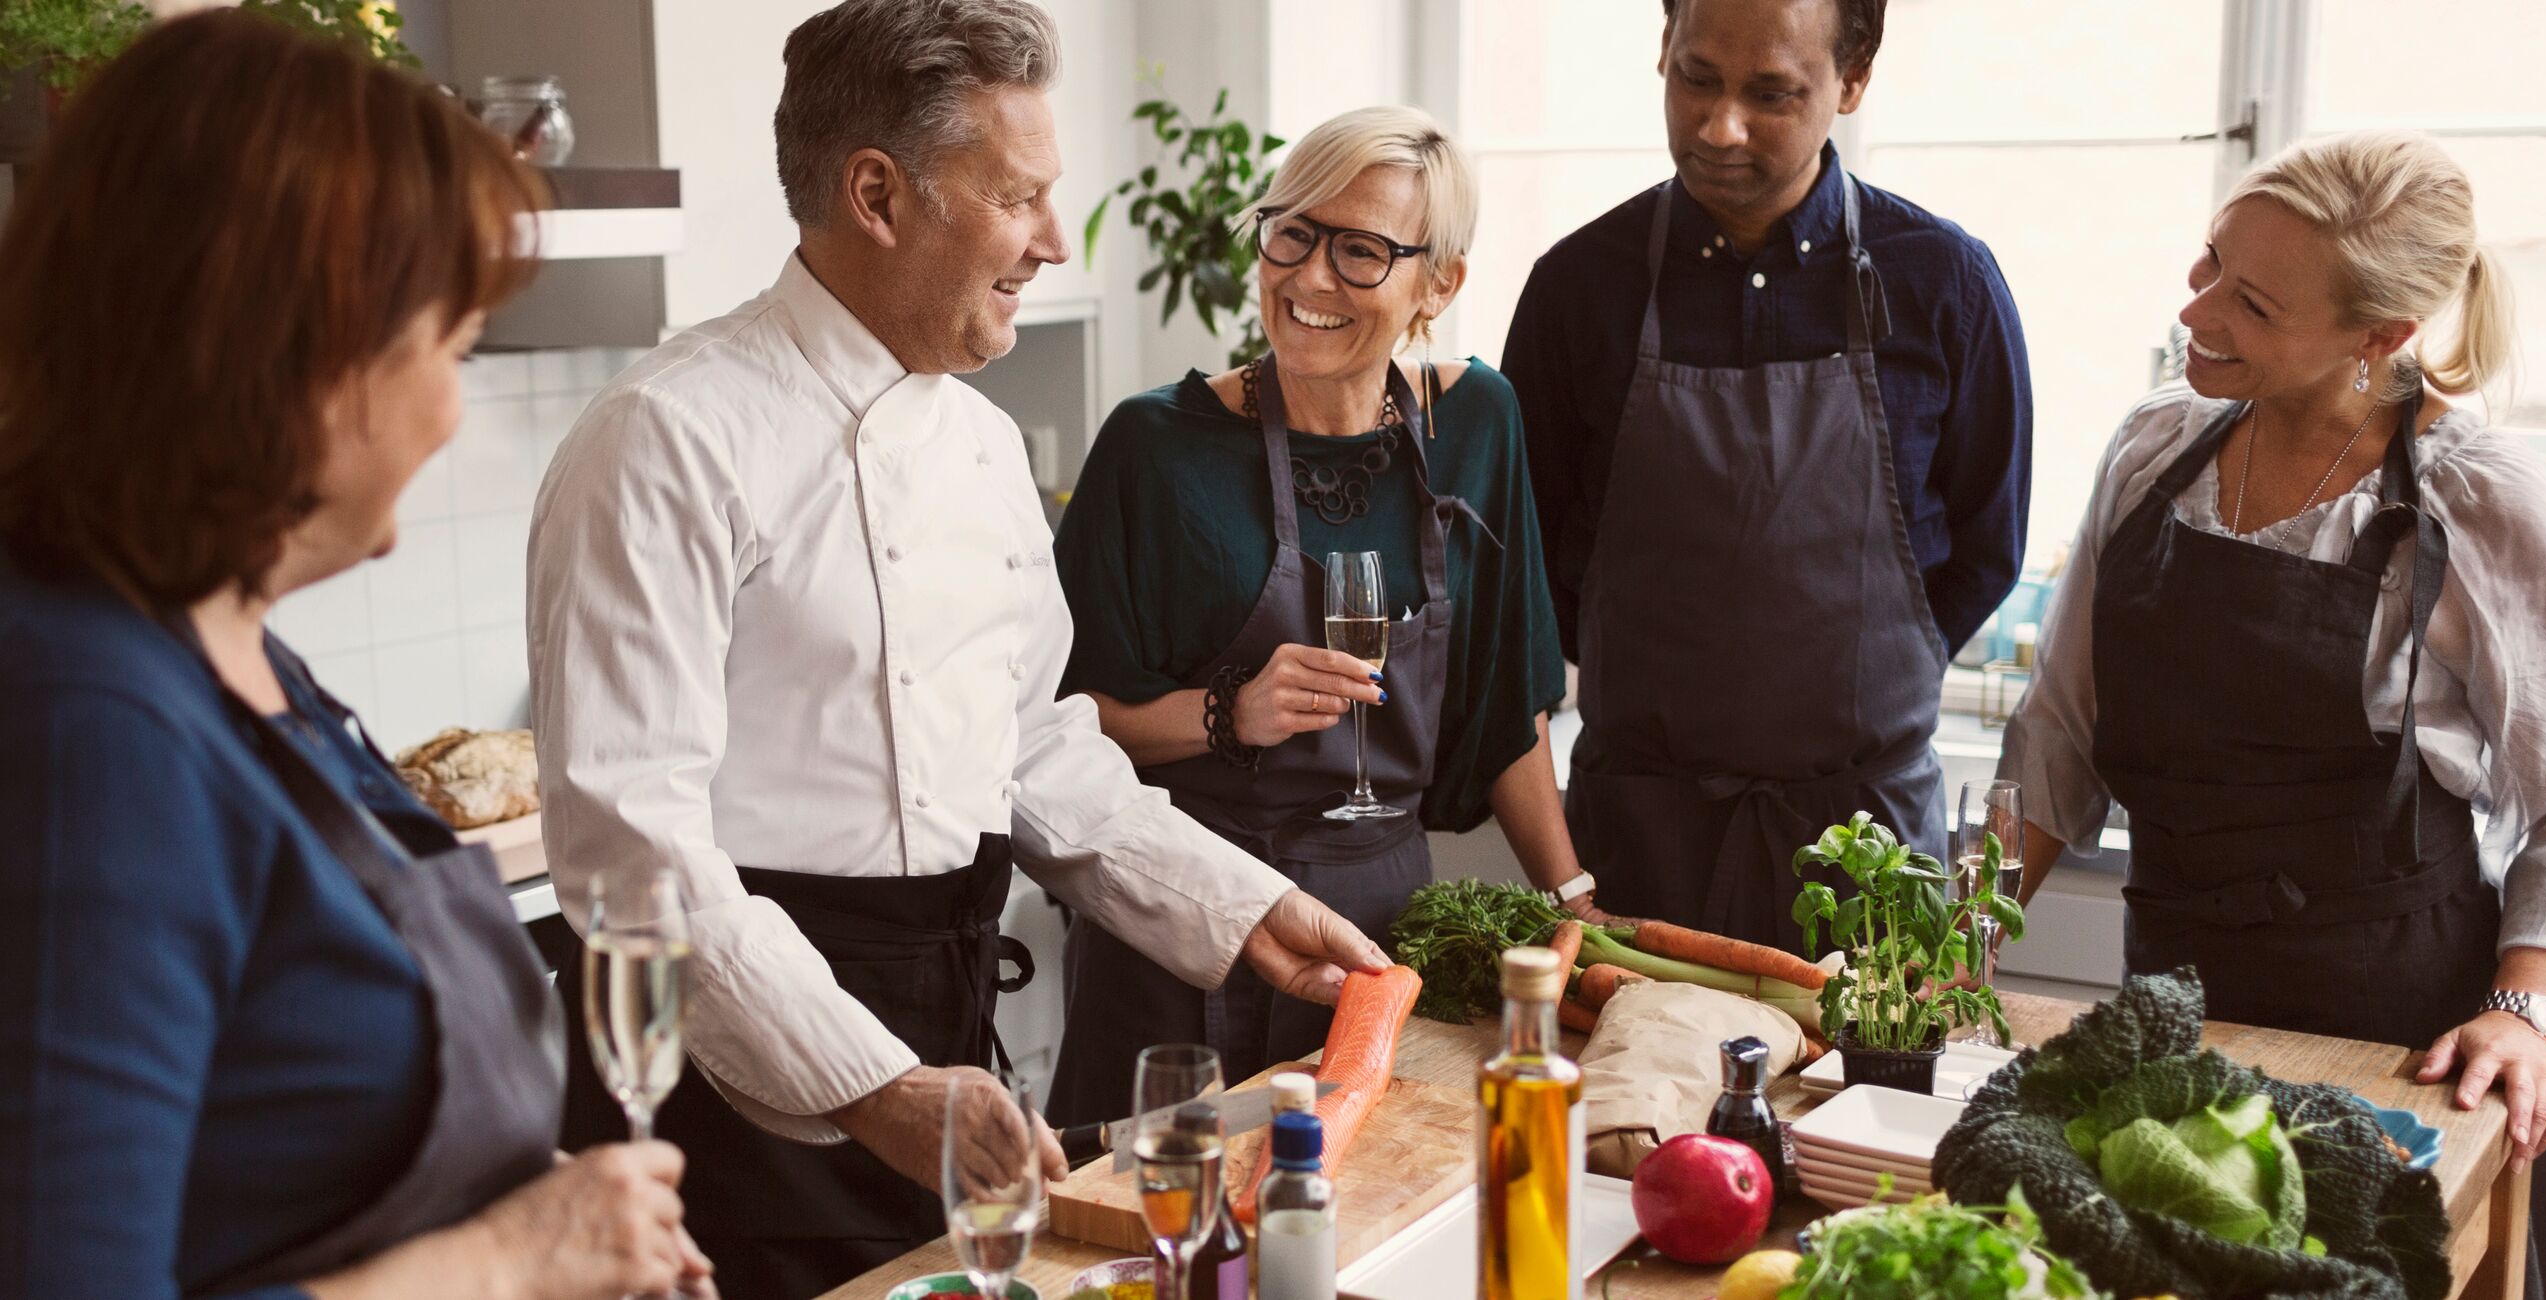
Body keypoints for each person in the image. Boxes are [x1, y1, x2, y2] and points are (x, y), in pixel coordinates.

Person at [524, 1, 1389, 1294]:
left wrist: (1239, 905)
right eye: (1019, 198)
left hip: (950, 1042)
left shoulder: (985, 447)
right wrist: (869, 1083)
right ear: (878, 194)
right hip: (731, 1082)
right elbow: (632, 854)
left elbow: (1034, 748)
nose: (1050, 240)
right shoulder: (666, 436)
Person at [0, 14, 714, 1300]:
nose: (453, 405)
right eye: (446, 348)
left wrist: (570, 1216)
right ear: (300, 356)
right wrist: (510, 1258)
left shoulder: (234, 644)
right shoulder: (85, 725)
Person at [1999, 131, 2546, 1177]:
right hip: (2172, 1004)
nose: (2195, 309)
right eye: (2209, 260)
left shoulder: (2480, 500)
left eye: (2252, 303)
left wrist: (2520, 1006)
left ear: (2379, 333)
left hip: (2392, 1034)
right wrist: (1958, 940)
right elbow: (2060, 729)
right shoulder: (2152, 449)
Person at [1043, 107, 1585, 1123]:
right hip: (1178, 932)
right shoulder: (1153, 447)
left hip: (1381, 938)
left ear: (1440, 283)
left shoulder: (1477, 423)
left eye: (1361, 250)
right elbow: (1054, 726)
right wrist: (1224, 713)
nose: (1308, 278)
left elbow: (1509, 700)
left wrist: (1572, 896)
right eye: (1290, 231)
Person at [1501, 0, 2032, 948]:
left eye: (1771, 94)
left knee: (1868, 1099)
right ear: (1662, 47)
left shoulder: (1945, 282)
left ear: (1853, 79)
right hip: (1636, 846)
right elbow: (1527, 572)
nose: (1719, 127)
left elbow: (1987, 548)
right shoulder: (1578, 287)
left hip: (1867, 849)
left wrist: (1858, 683)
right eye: (1695, 78)